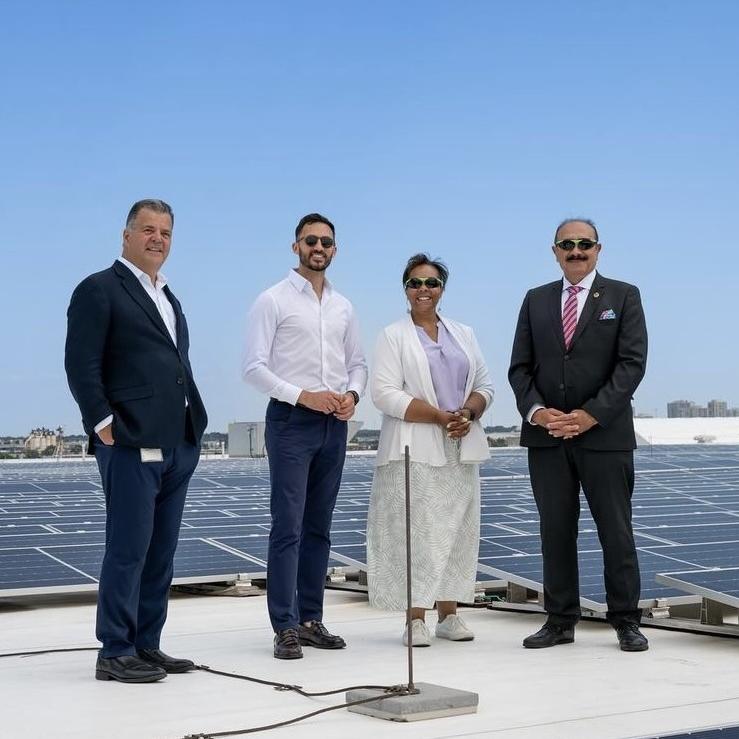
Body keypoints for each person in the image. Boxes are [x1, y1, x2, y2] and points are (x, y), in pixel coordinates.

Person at [64, 199, 208, 682]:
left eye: (165, 232)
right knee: (128, 547)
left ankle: (147, 643)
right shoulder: (99, 289)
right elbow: (81, 363)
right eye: (147, 230)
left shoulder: (169, 296)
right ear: (126, 235)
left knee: (161, 550)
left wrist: (193, 434)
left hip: (177, 443)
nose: (157, 239)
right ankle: (115, 650)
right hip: (128, 441)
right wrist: (101, 422)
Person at [508, 218, 648, 652]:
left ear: (598, 249)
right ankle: (559, 620)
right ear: (554, 251)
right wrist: (536, 412)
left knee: (616, 532)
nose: (575, 250)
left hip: (604, 437)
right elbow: (520, 368)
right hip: (548, 439)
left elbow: (631, 365)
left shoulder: (624, 296)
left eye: (583, 243)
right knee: (555, 531)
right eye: (566, 244)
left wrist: (590, 415)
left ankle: (625, 620)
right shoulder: (535, 300)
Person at [242, 213, 367, 659]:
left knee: (319, 528)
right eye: (311, 240)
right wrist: (302, 397)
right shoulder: (272, 300)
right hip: (292, 423)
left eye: (327, 242)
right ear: (295, 246)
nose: (319, 247)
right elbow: (254, 368)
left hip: (335, 425)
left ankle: (312, 619)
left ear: (335, 249)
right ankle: (285, 625)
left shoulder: (343, 306)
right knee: (288, 526)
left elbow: (358, 363)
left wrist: (353, 394)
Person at [367, 253, 494, 647]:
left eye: (432, 283)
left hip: (460, 445)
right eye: (415, 283)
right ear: (405, 289)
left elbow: (485, 384)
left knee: (457, 532)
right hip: (415, 447)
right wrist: (440, 417)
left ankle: (449, 614)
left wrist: (468, 414)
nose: (424, 290)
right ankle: (415, 618)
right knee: (416, 533)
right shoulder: (393, 335)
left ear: (442, 289)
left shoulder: (464, 333)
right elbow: (384, 394)